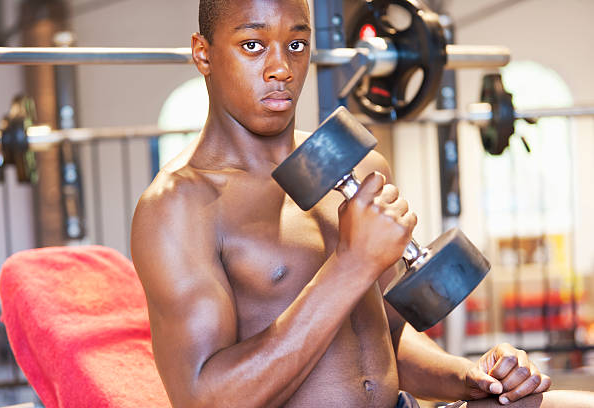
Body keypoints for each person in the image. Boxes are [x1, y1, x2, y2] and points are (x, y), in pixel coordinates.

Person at [131, 0, 594, 407]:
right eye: (253, 45)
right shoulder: (178, 207)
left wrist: (468, 378)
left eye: (296, 44)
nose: (281, 68)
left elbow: (386, 340)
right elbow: (204, 399)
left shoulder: (356, 165)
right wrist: (351, 264)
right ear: (202, 53)